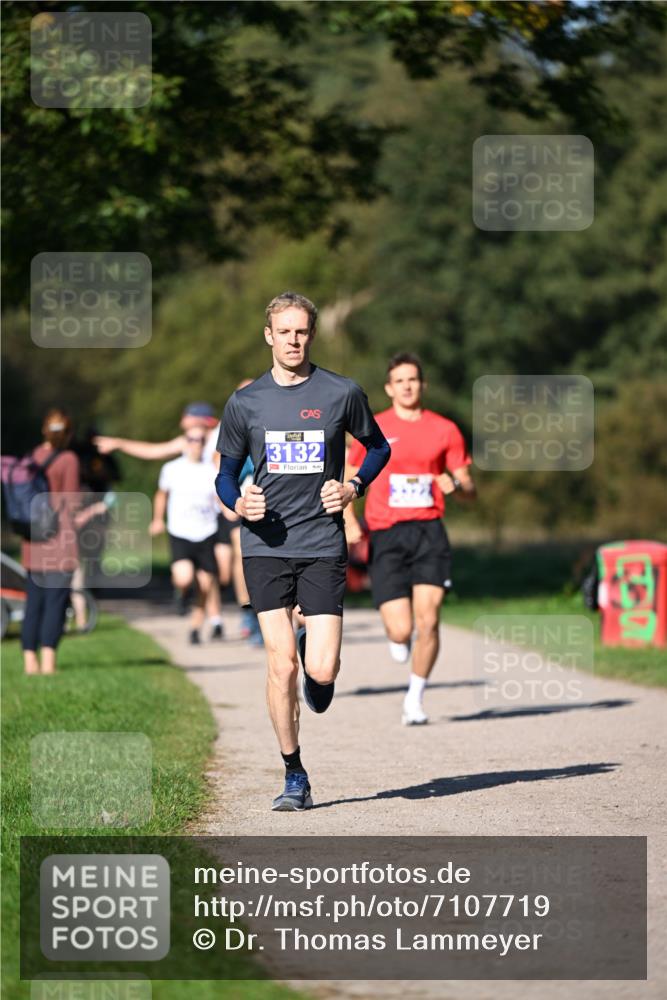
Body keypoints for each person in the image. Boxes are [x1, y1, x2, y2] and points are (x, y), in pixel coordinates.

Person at [215, 291, 390, 812]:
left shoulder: (341, 392)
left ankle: (320, 667)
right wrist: (238, 501)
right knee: (280, 665)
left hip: (321, 543)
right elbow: (225, 475)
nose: (293, 340)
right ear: (268, 335)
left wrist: (353, 486)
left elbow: (379, 447)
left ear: (311, 334)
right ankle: (294, 773)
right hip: (265, 544)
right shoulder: (246, 402)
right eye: (284, 331)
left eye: (301, 331)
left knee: (322, 669)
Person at [345, 352, 476, 725]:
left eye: (413, 380)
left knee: (429, 620)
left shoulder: (445, 429)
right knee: (401, 628)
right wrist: (349, 520)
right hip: (386, 534)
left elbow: (469, 489)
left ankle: (414, 698)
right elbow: (349, 478)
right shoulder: (374, 427)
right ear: (389, 388)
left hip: (429, 532)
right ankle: (397, 638)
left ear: (423, 385)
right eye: (399, 381)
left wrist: (458, 486)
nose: (407, 386)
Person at [95, 399, 261, 643]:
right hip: (203, 512)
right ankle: (232, 618)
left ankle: (231, 613)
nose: (183, 422)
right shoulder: (186, 442)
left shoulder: (220, 436)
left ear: (202, 420)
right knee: (208, 575)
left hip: (219, 503)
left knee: (223, 571)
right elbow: (153, 451)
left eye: (187, 417)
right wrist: (119, 443)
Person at [21, 409, 81, 675]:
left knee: (33, 604)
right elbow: (72, 502)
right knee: (55, 603)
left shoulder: (30, 457)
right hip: (59, 542)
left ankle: (29, 663)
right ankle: (48, 664)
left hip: (32, 542)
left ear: (44, 431)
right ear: (68, 433)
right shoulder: (68, 459)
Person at [149, 428, 220, 645]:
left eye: (200, 440)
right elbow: (162, 495)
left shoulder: (212, 469)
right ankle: (182, 592)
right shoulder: (171, 469)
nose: (196, 443)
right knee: (184, 577)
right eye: (191, 439)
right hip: (180, 531)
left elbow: (219, 497)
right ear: (185, 442)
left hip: (206, 531)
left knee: (206, 585)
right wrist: (157, 519)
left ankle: (195, 628)